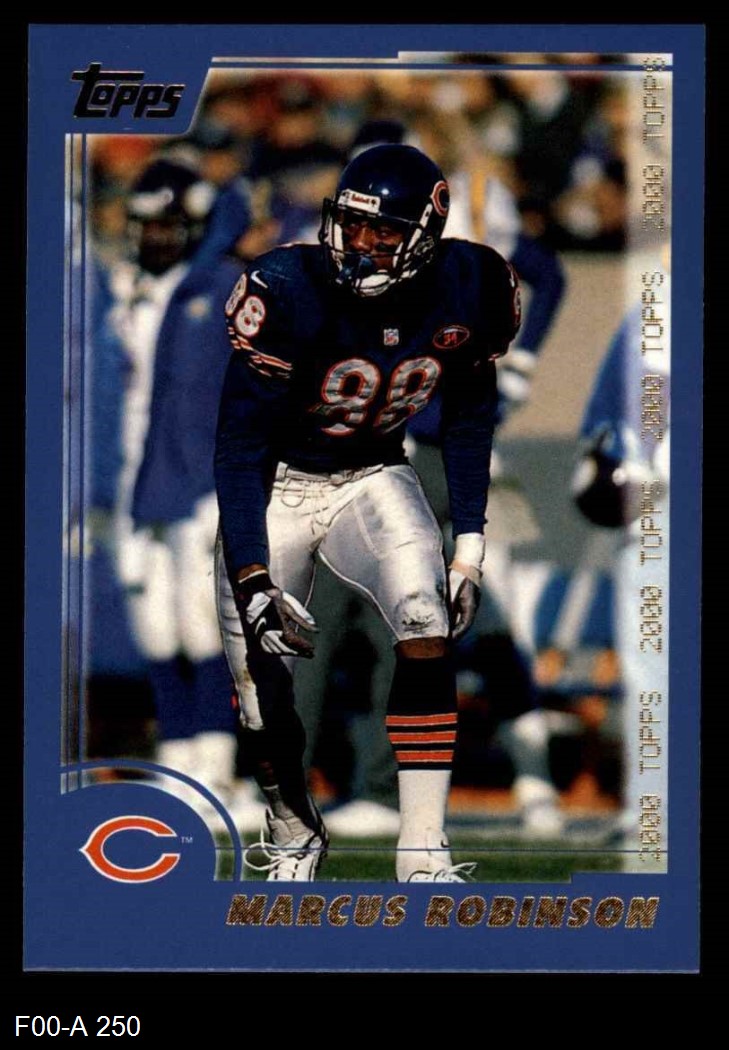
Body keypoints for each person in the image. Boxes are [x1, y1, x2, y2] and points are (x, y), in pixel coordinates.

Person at [214, 143, 521, 881]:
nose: (361, 243)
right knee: (259, 687)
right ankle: (293, 830)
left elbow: (469, 419)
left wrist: (469, 550)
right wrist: (252, 577)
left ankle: (423, 849)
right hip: (275, 487)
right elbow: (238, 448)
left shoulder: (472, 284)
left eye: (382, 230)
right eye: (351, 225)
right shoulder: (288, 287)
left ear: (426, 233)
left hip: (373, 475)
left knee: (424, 617)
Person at [102, 156, 264, 830]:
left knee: (207, 626)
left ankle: (218, 772)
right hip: (143, 478)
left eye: (168, 224)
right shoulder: (129, 293)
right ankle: (179, 766)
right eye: (147, 225)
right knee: (157, 629)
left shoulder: (219, 284)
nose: (155, 237)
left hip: (203, 478)